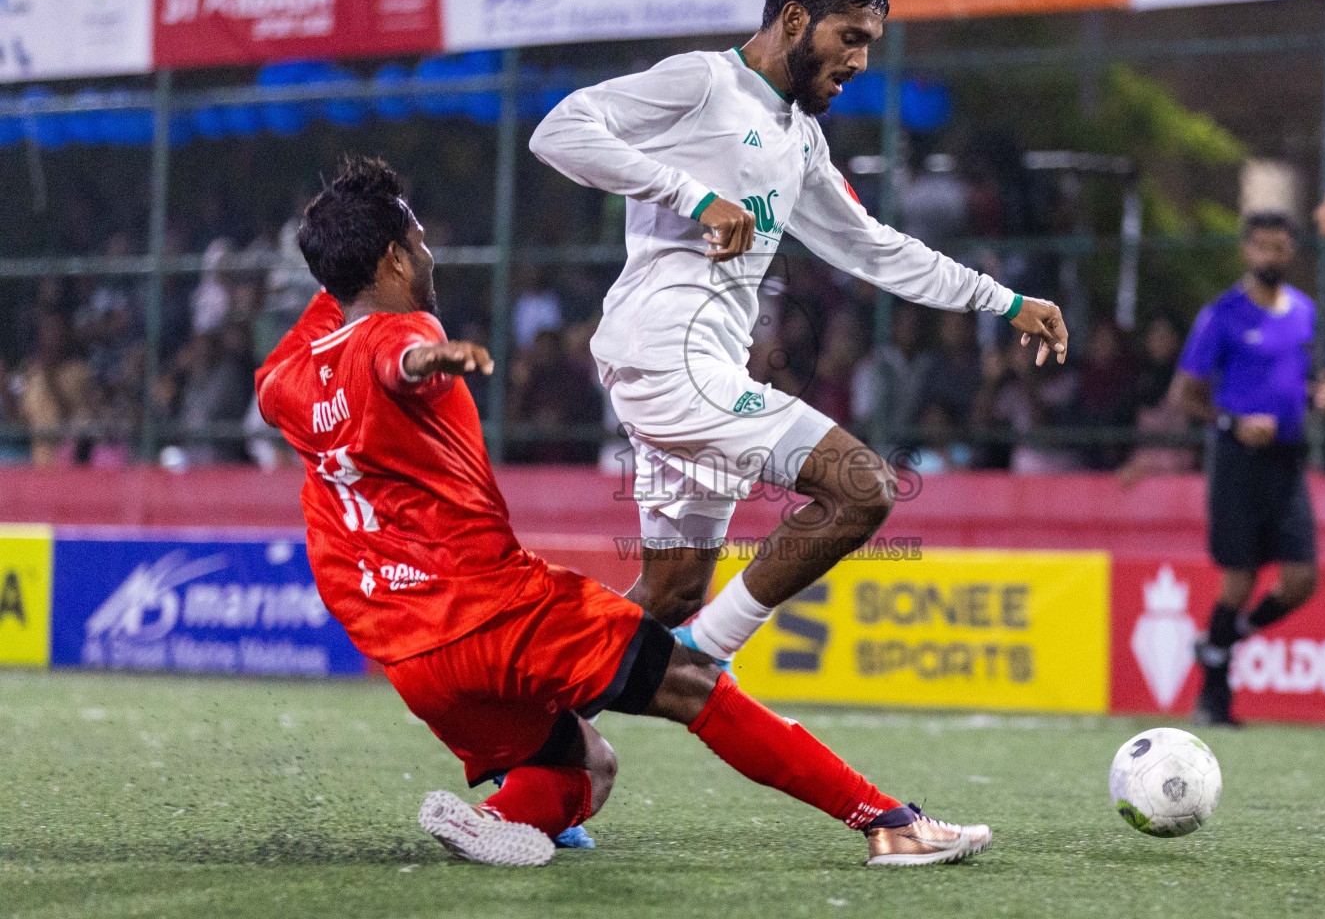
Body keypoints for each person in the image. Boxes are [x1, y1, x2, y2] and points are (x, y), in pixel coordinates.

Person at [255, 157, 993, 868]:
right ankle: (888, 823)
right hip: (495, 611)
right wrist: (426, 365)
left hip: (409, 653)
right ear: (389, 259)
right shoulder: (405, 333)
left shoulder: (290, 372)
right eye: (417, 242)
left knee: (590, 768)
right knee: (697, 683)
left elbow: (314, 349)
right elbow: (394, 362)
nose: (429, 255)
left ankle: (502, 818)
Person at [529, 0, 1067, 664]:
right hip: (667, 357)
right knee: (865, 489)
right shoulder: (703, 82)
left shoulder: (800, 137)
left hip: (707, 365)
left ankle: (530, 715)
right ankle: (707, 658)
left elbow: (873, 246)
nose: (860, 61)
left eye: (871, 43)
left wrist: (1004, 302)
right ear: (792, 19)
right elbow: (559, 131)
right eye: (850, 37)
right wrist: (696, 196)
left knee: (672, 592)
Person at [1168, 213, 1325, 725]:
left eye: (1280, 247)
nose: (1270, 256)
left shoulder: (1306, 313)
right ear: (1247, 251)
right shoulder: (1222, 314)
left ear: (1292, 252)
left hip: (1288, 459)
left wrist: (1319, 394)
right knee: (1239, 579)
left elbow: (1309, 376)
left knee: (1301, 580)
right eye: (1261, 247)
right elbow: (1184, 395)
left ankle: (1220, 641)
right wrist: (1233, 420)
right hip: (1238, 459)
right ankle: (1214, 696)